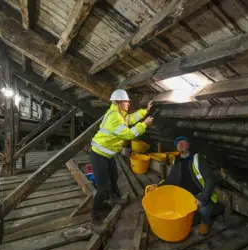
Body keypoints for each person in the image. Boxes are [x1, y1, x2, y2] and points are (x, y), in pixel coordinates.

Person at [90, 89, 154, 234]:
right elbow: (129, 134)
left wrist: (145, 111)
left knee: (114, 177)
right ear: (118, 103)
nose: (128, 104)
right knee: (103, 187)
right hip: (98, 155)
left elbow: (131, 118)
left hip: (108, 154)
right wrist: (144, 124)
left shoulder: (121, 114)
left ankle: (115, 198)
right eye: (125, 102)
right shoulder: (115, 118)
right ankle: (95, 218)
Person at [146, 136, 219, 236]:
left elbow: (210, 179)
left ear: (188, 146)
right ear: (176, 148)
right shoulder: (176, 160)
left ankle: (205, 223)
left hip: (198, 194)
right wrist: (158, 186)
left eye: (183, 142)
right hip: (183, 195)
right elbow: (170, 179)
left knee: (204, 210)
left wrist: (202, 199)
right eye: (178, 143)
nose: (180, 144)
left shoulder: (197, 159)